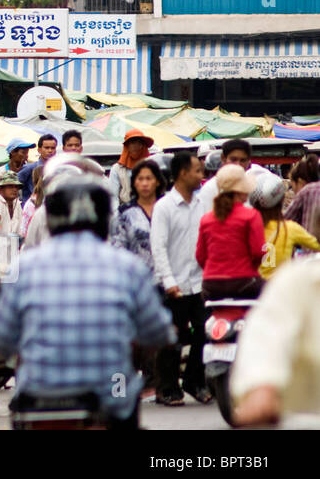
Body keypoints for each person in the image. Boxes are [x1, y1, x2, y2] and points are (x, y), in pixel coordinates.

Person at [0, 171, 175, 429]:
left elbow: (1, 340)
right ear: (102, 218)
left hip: (37, 395)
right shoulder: (127, 266)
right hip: (112, 392)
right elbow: (156, 332)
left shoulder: (24, 268)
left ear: (51, 218)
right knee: (124, 397)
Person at [150, 151, 211, 406]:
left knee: (205, 333)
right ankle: (168, 387)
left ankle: (194, 380)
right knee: (171, 339)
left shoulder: (202, 205)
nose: (201, 176)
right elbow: (158, 246)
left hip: (199, 283)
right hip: (172, 285)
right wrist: (168, 280)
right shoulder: (164, 207)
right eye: (197, 171)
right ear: (183, 173)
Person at [231, 256, 320, 427]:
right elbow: (268, 332)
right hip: (251, 282)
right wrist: (262, 384)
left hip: (213, 286)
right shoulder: (300, 280)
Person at [109, 158, 168, 398]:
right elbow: (117, 247)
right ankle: (124, 386)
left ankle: (157, 383)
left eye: (149, 179)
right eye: (140, 179)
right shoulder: (125, 214)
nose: (145, 184)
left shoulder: (167, 208)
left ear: (157, 182)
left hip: (165, 280)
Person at [196, 164, 265, 301]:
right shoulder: (251, 215)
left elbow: (200, 256)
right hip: (244, 283)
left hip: (211, 285)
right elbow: (258, 251)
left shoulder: (206, 219)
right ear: (240, 191)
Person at [252, 171, 320, 279]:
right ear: (281, 200)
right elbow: (316, 245)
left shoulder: (247, 228)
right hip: (280, 285)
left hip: (252, 286)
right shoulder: (290, 228)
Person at [108, 129, 154, 210]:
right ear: (127, 146)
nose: (136, 146)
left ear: (143, 145)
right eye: (132, 143)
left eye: (139, 143)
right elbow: (113, 197)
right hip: (125, 209)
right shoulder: (117, 169)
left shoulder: (153, 166)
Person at [284, 153, 320, 238]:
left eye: (292, 187)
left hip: (310, 249)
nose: (293, 191)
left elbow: (285, 221)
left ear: (300, 182)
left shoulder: (306, 192)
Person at [18, 133, 58, 202]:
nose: (50, 151)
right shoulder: (30, 168)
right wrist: (21, 201)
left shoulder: (57, 169)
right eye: (46, 148)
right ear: (39, 150)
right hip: (31, 208)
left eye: (53, 148)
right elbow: (17, 185)